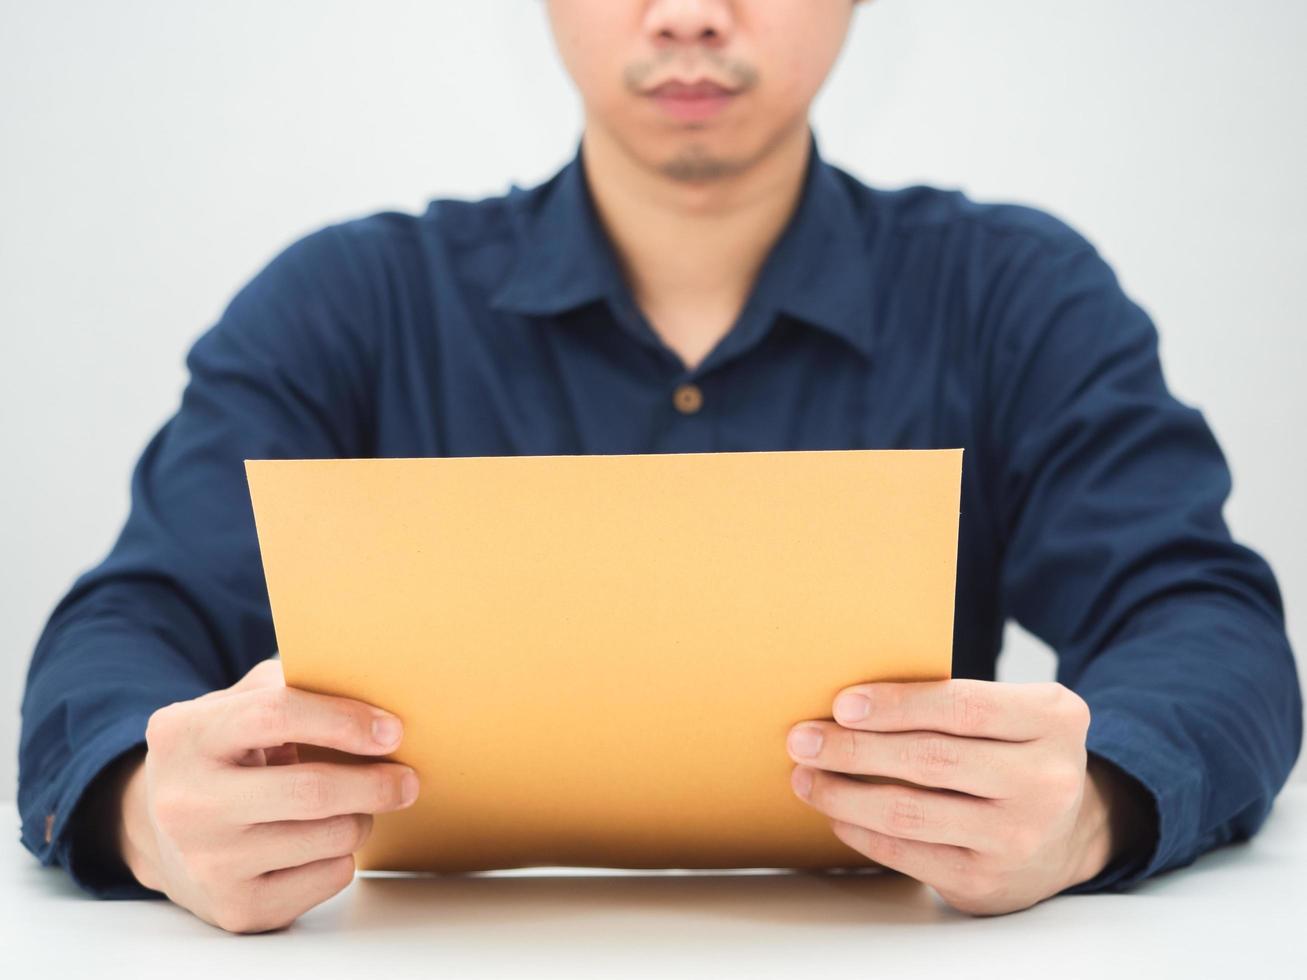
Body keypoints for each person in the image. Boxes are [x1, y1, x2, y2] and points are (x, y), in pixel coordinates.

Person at [17, 0, 1301, 934]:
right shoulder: (351, 303)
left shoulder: (1012, 293)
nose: (688, 15)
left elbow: (1199, 616)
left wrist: (1088, 805)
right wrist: (141, 802)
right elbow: (132, 620)